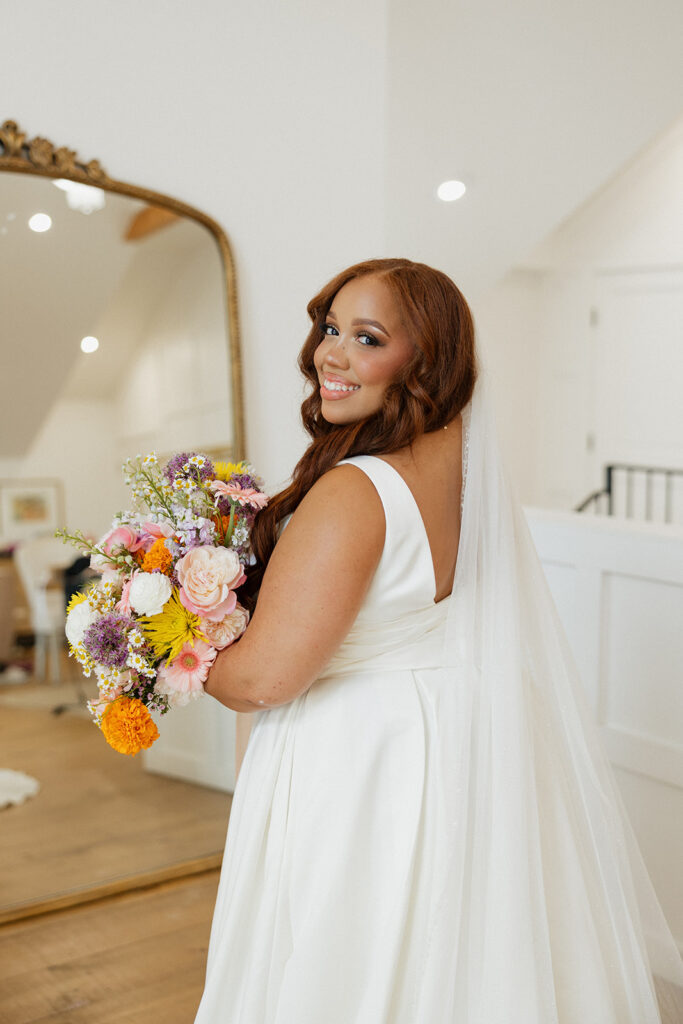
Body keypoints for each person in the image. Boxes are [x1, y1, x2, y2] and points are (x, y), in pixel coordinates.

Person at [194, 258, 682, 1023]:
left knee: (350, 955)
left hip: (355, 758)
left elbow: (263, 680)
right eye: (330, 328)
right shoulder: (463, 473)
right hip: (448, 737)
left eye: (367, 337)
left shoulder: (356, 489)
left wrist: (183, 654)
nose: (331, 354)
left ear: (423, 361)